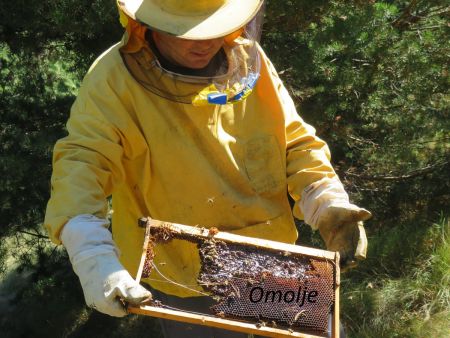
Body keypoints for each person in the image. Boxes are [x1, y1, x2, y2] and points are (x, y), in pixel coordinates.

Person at [44, 0, 371, 337]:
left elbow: (295, 144)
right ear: (153, 23)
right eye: (187, 30)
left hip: (272, 260)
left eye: (212, 26)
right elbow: (81, 164)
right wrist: (92, 254)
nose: (203, 42)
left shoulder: (248, 61)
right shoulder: (113, 79)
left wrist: (325, 200)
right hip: (183, 277)